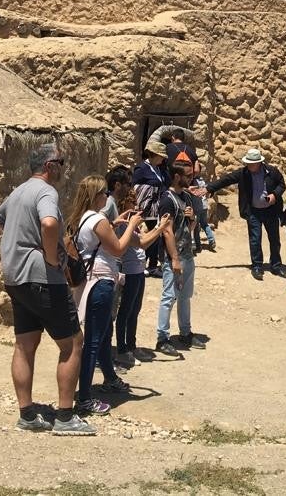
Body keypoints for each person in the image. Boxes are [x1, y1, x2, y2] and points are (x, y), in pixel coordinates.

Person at [0, 145, 94, 436]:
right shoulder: (46, 192)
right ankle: (64, 416)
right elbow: (49, 223)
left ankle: (27, 414)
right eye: (61, 162)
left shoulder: (18, 191)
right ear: (50, 166)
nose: (64, 168)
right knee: (73, 343)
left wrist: (19, 242)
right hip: (43, 278)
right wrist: (51, 257)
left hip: (16, 277)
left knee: (25, 344)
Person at [70, 175, 147, 416]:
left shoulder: (84, 218)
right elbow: (118, 248)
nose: (107, 196)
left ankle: (105, 381)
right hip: (101, 283)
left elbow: (98, 241)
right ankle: (84, 398)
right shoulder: (98, 219)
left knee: (99, 339)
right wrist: (133, 224)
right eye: (104, 192)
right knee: (93, 342)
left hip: (91, 282)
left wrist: (114, 224)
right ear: (96, 195)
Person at [206, 148, 286, 281]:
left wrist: (275, 195)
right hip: (253, 211)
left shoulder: (272, 171)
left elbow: (281, 184)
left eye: (252, 164)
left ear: (259, 163)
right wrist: (209, 188)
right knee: (255, 239)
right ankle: (257, 266)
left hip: (270, 211)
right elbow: (226, 179)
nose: (249, 166)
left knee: (274, 239)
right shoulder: (243, 173)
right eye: (248, 163)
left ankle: (276, 265)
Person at [112, 188, 169, 368]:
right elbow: (142, 243)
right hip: (129, 272)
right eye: (132, 203)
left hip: (138, 271)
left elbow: (144, 238)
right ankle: (122, 350)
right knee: (126, 312)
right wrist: (161, 227)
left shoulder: (132, 225)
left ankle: (131, 346)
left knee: (134, 311)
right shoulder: (123, 226)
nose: (136, 206)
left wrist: (156, 227)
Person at [155, 163, 201, 357]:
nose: (191, 179)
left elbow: (187, 229)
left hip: (187, 254)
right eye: (187, 175)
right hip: (173, 257)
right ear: (176, 176)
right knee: (169, 297)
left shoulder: (186, 197)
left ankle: (185, 332)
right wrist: (174, 259)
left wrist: (193, 220)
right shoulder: (167, 200)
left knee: (185, 297)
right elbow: (167, 231)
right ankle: (162, 338)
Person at [132, 143, 170, 278]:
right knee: (147, 235)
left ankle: (152, 265)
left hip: (155, 208)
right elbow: (135, 188)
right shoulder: (141, 168)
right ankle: (146, 264)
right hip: (145, 209)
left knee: (155, 236)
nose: (163, 159)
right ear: (154, 155)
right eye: (161, 156)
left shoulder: (158, 169)